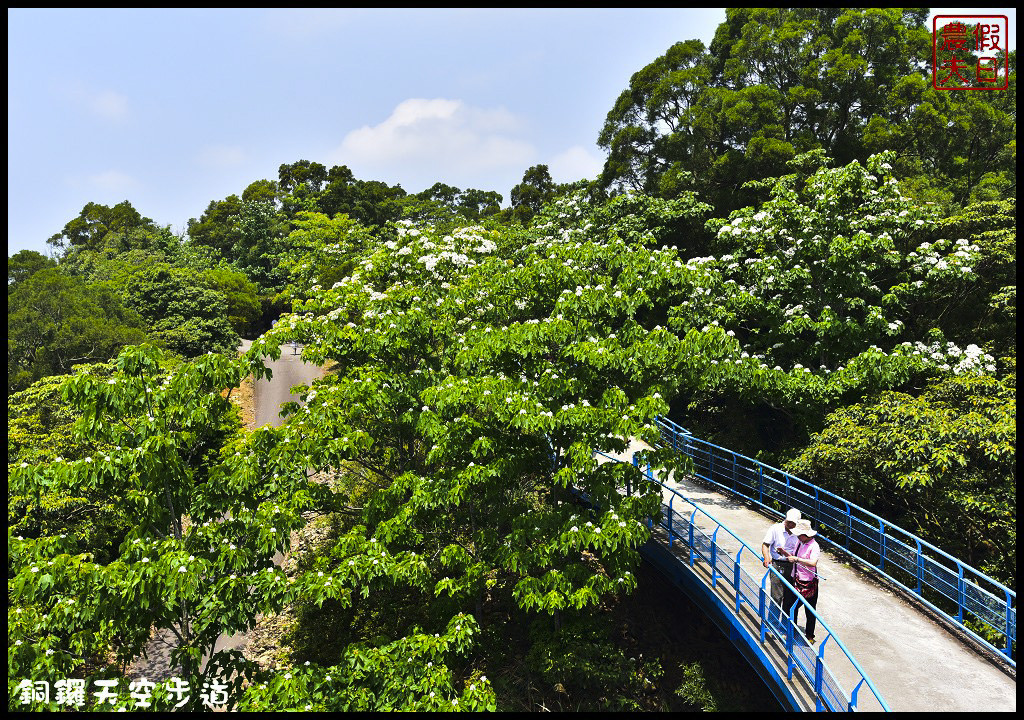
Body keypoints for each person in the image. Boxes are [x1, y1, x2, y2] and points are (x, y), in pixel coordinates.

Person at [761, 508, 800, 625]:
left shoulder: (798, 533)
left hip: (792, 566)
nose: (791, 525)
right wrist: (767, 557)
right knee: (777, 596)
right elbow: (765, 544)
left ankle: (784, 625)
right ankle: (772, 623)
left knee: (789, 597)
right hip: (778, 564)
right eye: (789, 522)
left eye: (793, 523)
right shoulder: (775, 529)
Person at [787, 518, 822, 643]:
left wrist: (797, 559)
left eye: (799, 534)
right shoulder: (799, 542)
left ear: (805, 535)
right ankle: (791, 630)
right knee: (792, 607)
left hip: (809, 582)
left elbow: (813, 562)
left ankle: (810, 635)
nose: (797, 536)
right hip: (796, 578)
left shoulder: (814, 546)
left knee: (810, 609)